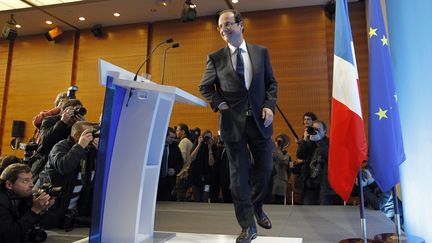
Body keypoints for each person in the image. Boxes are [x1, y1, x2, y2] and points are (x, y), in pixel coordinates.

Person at [199, 9, 278, 243]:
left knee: (265, 171)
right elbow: (205, 87)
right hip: (232, 125)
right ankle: (248, 226)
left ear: (241, 25)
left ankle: (256, 206)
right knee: (238, 178)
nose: (223, 29)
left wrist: (269, 105)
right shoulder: (215, 58)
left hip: (260, 122)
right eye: (220, 27)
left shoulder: (261, 52)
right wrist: (218, 102)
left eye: (228, 24)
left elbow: (271, 83)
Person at [38, 121, 98, 230]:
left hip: (73, 217)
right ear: (76, 136)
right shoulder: (60, 146)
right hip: (53, 212)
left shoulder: (90, 150)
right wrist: (80, 146)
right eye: (88, 134)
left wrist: (101, 153)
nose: (92, 137)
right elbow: (63, 167)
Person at [0, 163, 54, 242]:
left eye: (31, 179)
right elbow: (7, 236)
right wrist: (34, 210)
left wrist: (43, 208)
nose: (32, 185)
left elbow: (35, 224)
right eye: (25, 181)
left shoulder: (25, 195)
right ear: (9, 185)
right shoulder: (2, 201)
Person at [157, 127, 183, 201]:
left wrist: (174, 170)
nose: (173, 139)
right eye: (171, 137)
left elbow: (180, 163)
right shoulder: (157, 147)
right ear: (165, 136)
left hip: (168, 182)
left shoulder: (175, 147)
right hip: (157, 181)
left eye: (174, 138)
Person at [272, 134, 291, 204]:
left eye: (281, 142)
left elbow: (288, 165)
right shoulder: (272, 152)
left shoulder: (287, 154)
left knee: (279, 201)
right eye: (278, 141)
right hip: (272, 179)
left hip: (281, 179)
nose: (279, 143)